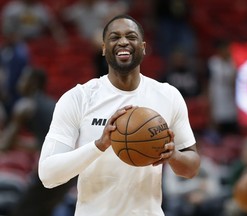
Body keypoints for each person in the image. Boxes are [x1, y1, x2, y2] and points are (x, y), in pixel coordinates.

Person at [38, 14, 201, 216]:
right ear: (104, 48)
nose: (123, 41)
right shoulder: (78, 98)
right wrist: (99, 145)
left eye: (131, 36)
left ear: (143, 46)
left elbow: (191, 167)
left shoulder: (168, 95)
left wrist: (173, 155)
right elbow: (48, 175)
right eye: (114, 37)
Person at [0, 67, 75, 216]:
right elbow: (41, 143)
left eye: (23, 79)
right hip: (71, 169)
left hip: (57, 167)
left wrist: (14, 126)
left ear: (33, 83)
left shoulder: (25, 105)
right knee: (42, 210)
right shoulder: (47, 103)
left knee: (23, 211)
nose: (19, 84)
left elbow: (4, 145)